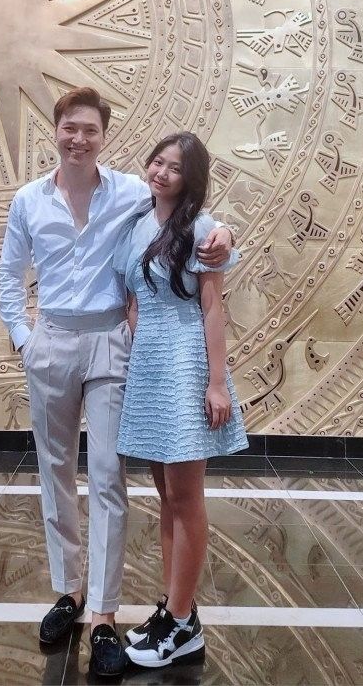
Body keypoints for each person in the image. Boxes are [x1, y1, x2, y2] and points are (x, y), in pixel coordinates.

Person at [0, 88, 233, 678]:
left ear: (104, 137)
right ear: (56, 130)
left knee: (107, 476)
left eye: (90, 131)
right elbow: (8, 273)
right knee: (55, 470)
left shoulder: (129, 191)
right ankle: (68, 593)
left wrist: (226, 233)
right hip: (51, 340)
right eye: (69, 128)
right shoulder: (28, 199)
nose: (79, 139)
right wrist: (25, 340)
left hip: (110, 343)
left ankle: (103, 613)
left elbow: (191, 216)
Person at [114, 132, 249, 670]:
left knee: (187, 497)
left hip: (185, 362)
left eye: (174, 167)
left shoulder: (201, 229)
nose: (162, 172)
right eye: (157, 162)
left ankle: (179, 618)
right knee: (166, 497)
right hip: (149, 365)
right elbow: (132, 296)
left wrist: (216, 384)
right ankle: (178, 614)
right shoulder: (137, 221)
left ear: (190, 178)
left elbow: (213, 308)